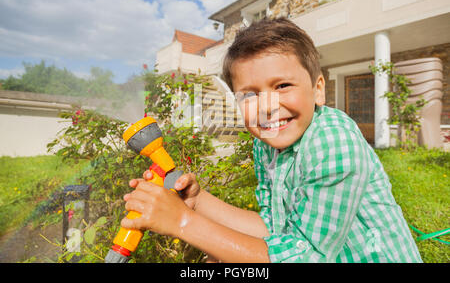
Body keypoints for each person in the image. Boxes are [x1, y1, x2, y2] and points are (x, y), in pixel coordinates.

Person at [120, 18, 422, 263]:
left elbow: (307, 258)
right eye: (249, 94)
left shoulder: (333, 141)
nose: (266, 106)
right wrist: (198, 203)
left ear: (318, 90)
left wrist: (183, 223)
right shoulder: (266, 144)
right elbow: (276, 228)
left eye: (282, 85)